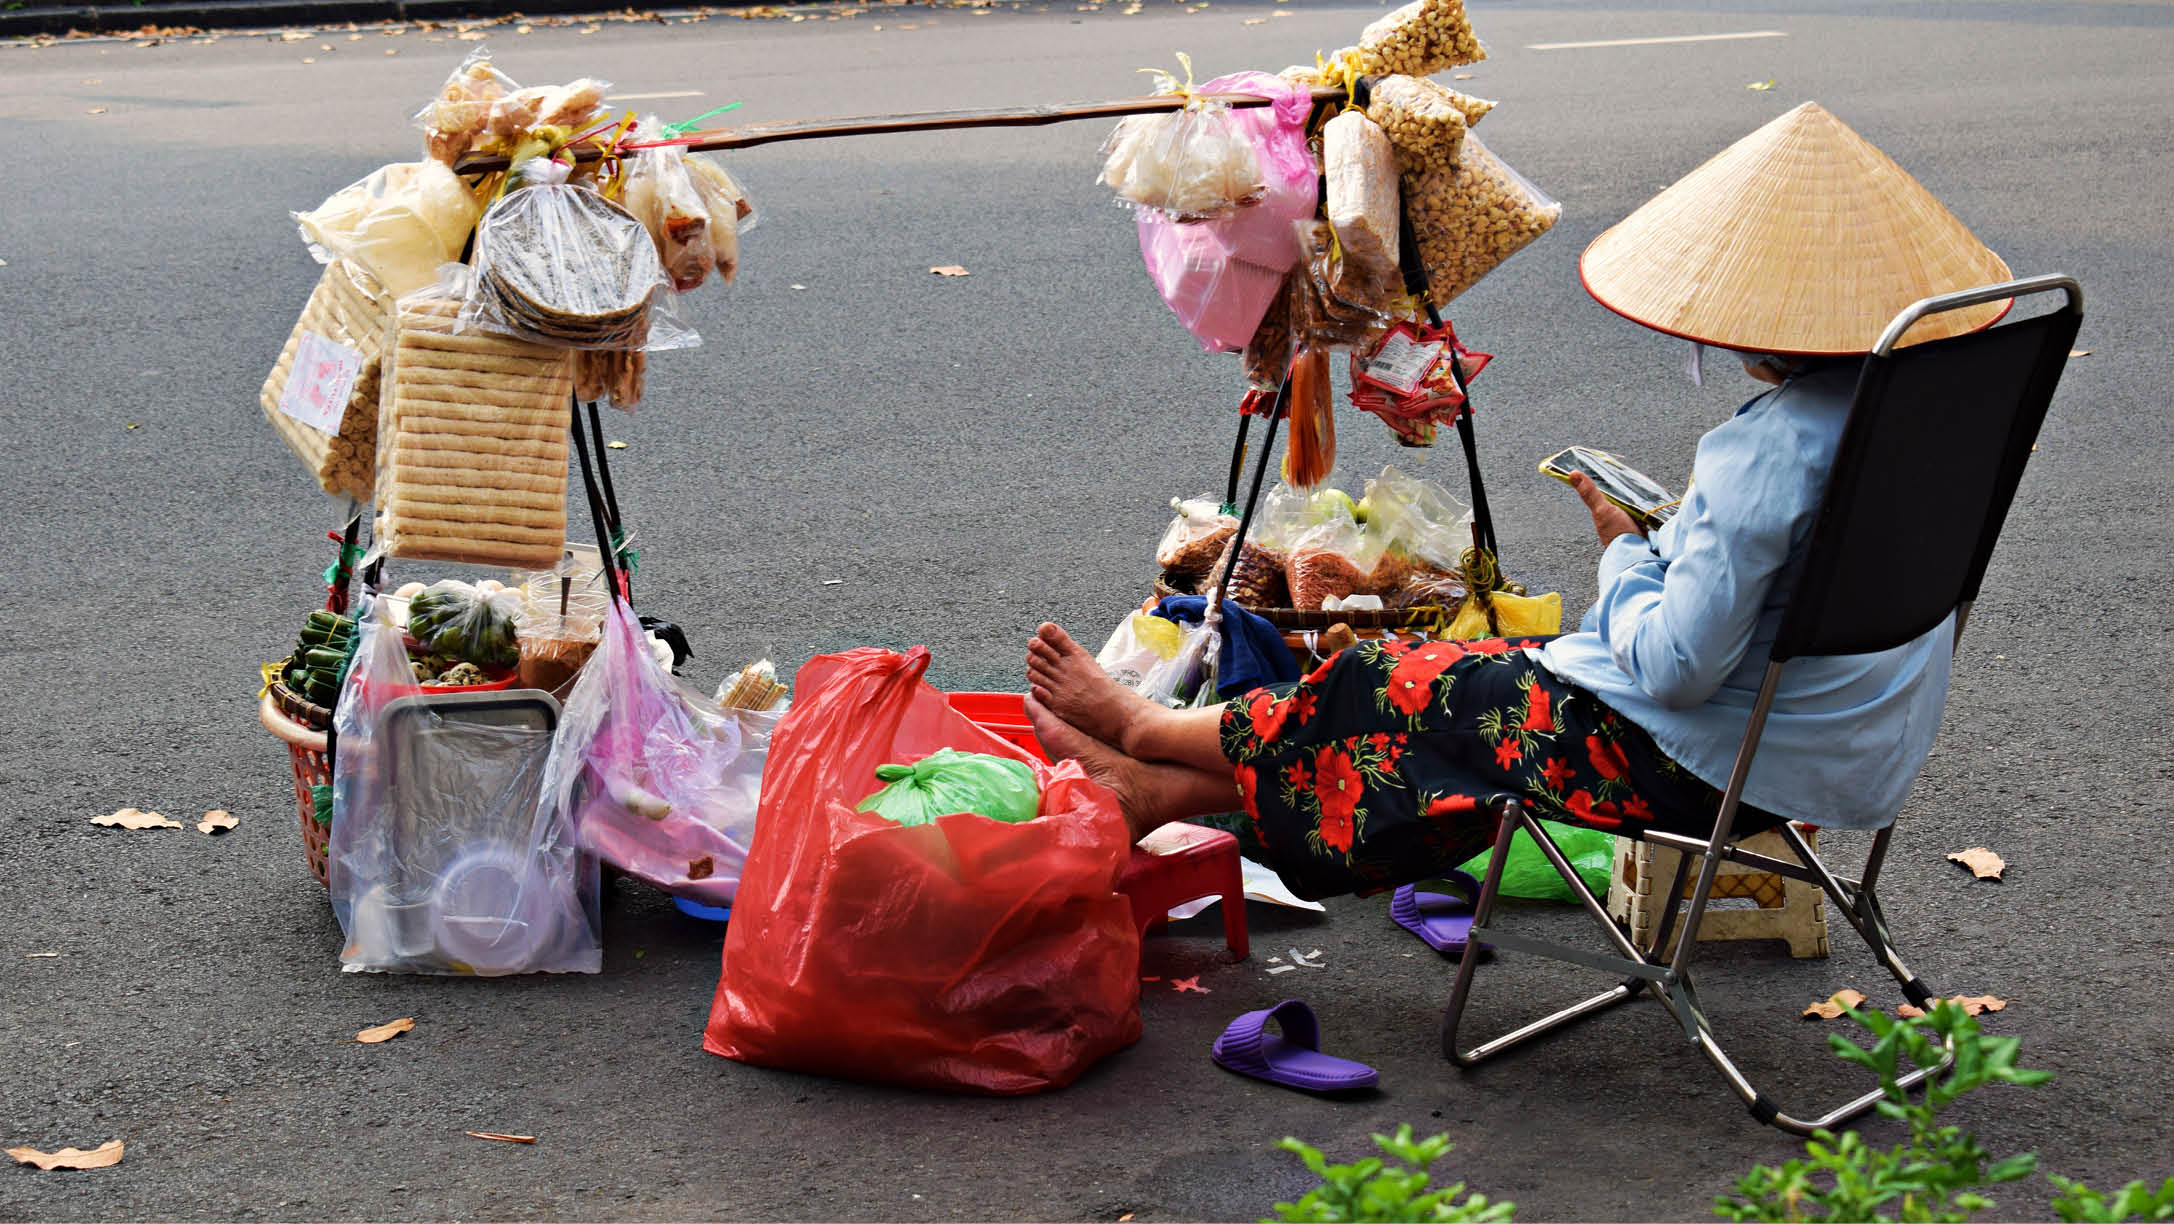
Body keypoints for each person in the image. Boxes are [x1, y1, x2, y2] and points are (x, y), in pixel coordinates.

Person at [1025, 101, 2016, 900]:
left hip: (1698, 763)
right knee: (1440, 680)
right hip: (1854, 752)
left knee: (1374, 685)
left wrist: (1624, 552)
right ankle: (1154, 789)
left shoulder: (1763, 452)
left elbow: (1672, 670)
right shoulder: (1932, 416)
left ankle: (1150, 734)